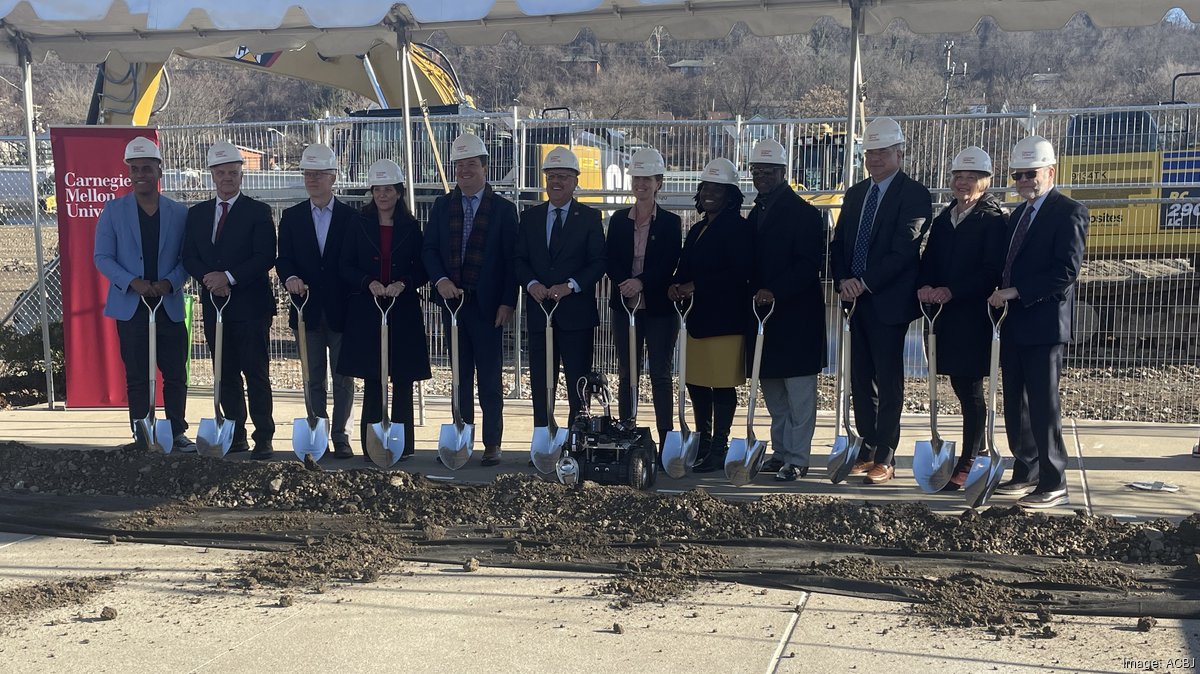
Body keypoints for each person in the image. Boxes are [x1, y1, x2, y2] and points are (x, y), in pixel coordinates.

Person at [829, 117, 932, 485]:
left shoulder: (914, 195)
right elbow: (839, 244)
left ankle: (886, 455)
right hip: (854, 301)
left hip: (887, 300)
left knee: (888, 379)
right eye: (870, 152)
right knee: (860, 377)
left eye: (882, 152)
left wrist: (864, 283)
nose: (875, 159)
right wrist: (843, 280)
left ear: (899, 154)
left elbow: (903, 249)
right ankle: (868, 444)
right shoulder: (856, 194)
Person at [988, 136, 1088, 509]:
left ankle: (1054, 479)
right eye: (1018, 175)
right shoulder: (1018, 216)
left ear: (1050, 172)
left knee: (1044, 405)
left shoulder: (1069, 212)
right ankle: (1026, 469)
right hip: (1014, 324)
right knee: (1017, 401)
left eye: (1030, 174)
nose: (1024, 182)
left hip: (1045, 323)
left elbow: (1066, 271)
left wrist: (1016, 292)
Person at [423, 133, 519, 466]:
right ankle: (462, 438)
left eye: (471, 165)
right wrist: (441, 280)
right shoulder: (442, 206)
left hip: (488, 306)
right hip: (453, 306)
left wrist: (508, 302)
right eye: (459, 166)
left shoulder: (504, 211)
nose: (464, 171)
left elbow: (512, 261)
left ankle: (492, 443)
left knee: (490, 379)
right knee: (460, 377)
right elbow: (430, 249)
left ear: (485, 167)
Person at [93, 136, 193, 452]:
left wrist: (170, 283)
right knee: (137, 375)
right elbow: (102, 257)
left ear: (159, 170)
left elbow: (187, 259)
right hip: (131, 307)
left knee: (175, 373)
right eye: (134, 169)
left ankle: (176, 432)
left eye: (147, 168)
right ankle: (142, 433)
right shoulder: (113, 211)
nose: (140, 175)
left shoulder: (179, 213)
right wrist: (132, 282)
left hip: (168, 305)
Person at [916, 146, 1007, 490]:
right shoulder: (945, 219)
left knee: (970, 391)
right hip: (944, 317)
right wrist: (925, 284)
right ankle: (972, 449)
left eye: (971, 177)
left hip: (973, 317)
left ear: (985, 182)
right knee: (957, 384)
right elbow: (930, 260)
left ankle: (971, 457)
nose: (963, 183)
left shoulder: (993, 220)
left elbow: (991, 271)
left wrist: (952, 290)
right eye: (959, 177)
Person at [182, 140, 278, 460]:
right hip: (215, 305)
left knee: (255, 371)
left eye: (233, 173)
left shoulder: (258, 211)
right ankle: (235, 433)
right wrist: (210, 279)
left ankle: (263, 435)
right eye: (221, 173)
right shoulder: (196, 214)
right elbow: (189, 255)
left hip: (250, 306)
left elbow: (265, 256)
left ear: (241, 175)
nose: (227, 178)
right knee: (224, 372)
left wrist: (229, 277)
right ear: (212, 174)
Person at [337, 159, 431, 460]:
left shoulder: (411, 226)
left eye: (388, 189)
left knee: (402, 377)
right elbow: (345, 265)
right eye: (377, 189)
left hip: (402, 311)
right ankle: (372, 444)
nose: (382, 195)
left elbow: (423, 268)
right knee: (373, 376)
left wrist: (404, 283)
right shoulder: (358, 223)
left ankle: (402, 445)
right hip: (368, 311)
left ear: (399, 192)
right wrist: (369, 283)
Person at [744, 139, 826, 482]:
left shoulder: (805, 214)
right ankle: (780, 452)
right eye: (756, 171)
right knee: (775, 394)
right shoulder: (755, 213)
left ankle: (798, 457)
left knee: (799, 395)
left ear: (783, 172)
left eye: (768, 171)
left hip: (797, 317)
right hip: (764, 317)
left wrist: (774, 290)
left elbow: (809, 266)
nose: (761, 177)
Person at [668, 157, 752, 473]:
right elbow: (685, 265)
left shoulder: (739, 228)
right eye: (705, 187)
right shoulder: (699, 228)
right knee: (697, 382)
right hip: (697, 319)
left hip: (725, 319)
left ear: (731, 194)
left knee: (720, 385)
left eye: (717, 188)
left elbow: (738, 272)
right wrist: (675, 284)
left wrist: (695, 285)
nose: (709, 193)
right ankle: (703, 440)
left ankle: (720, 445)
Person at [275, 143, 357, 458]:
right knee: (312, 378)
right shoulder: (292, 217)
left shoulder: (351, 217)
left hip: (341, 310)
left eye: (318, 174)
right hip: (305, 310)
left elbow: (355, 261)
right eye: (308, 174)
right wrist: (290, 278)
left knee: (343, 378)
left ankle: (341, 436)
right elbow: (284, 260)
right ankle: (317, 431)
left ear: (332, 177)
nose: (312, 180)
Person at [515, 147, 606, 430]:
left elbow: (598, 262)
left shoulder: (590, 218)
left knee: (578, 381)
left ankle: (575, 438)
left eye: (564, 177)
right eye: (551, 175)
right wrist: (532, 285)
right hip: (540, 313)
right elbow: (518, 259)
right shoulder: (530, 218)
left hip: (576, 315)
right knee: (542, 381)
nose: (556, 182)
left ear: (576, 181)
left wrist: (571, 286)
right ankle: (544, 435)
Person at [604, 147, 682, 448]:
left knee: (660, 375)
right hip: (625, 307)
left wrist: (641, 282)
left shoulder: (671, 223)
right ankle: (628, 433)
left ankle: (666, 439)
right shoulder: (619, 220)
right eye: (636, 178)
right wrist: (625, 284)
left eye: (647, 179)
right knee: (628, 373)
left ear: (658, 182)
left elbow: (668, 261)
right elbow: (609, 258)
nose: (641, 185)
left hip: (659, 309)